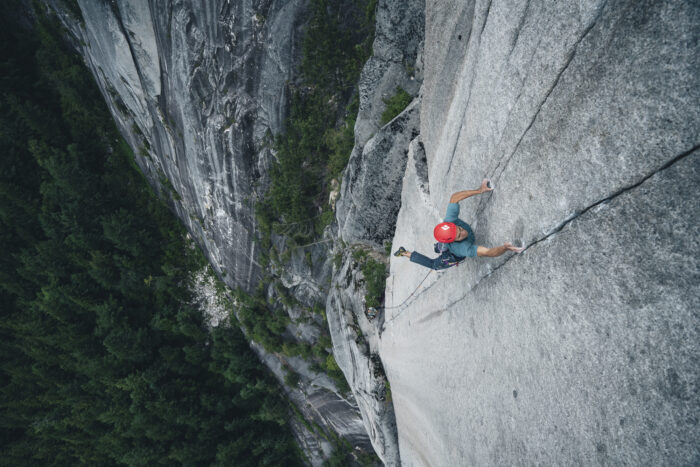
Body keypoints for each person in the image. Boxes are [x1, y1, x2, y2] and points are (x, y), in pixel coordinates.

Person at [394, 179, 524, 270]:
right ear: (453, 241)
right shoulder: (462, 249)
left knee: (439, 248)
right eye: (459, 235)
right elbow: (488, 252)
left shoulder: (449, 222)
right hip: (453, 254)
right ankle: (406, 253)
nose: (463, 232)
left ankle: (437, 247)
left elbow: (454, 197)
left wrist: (480, 190)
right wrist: (505, 248)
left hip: (446, 243)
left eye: (459, 229)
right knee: (434, 265)